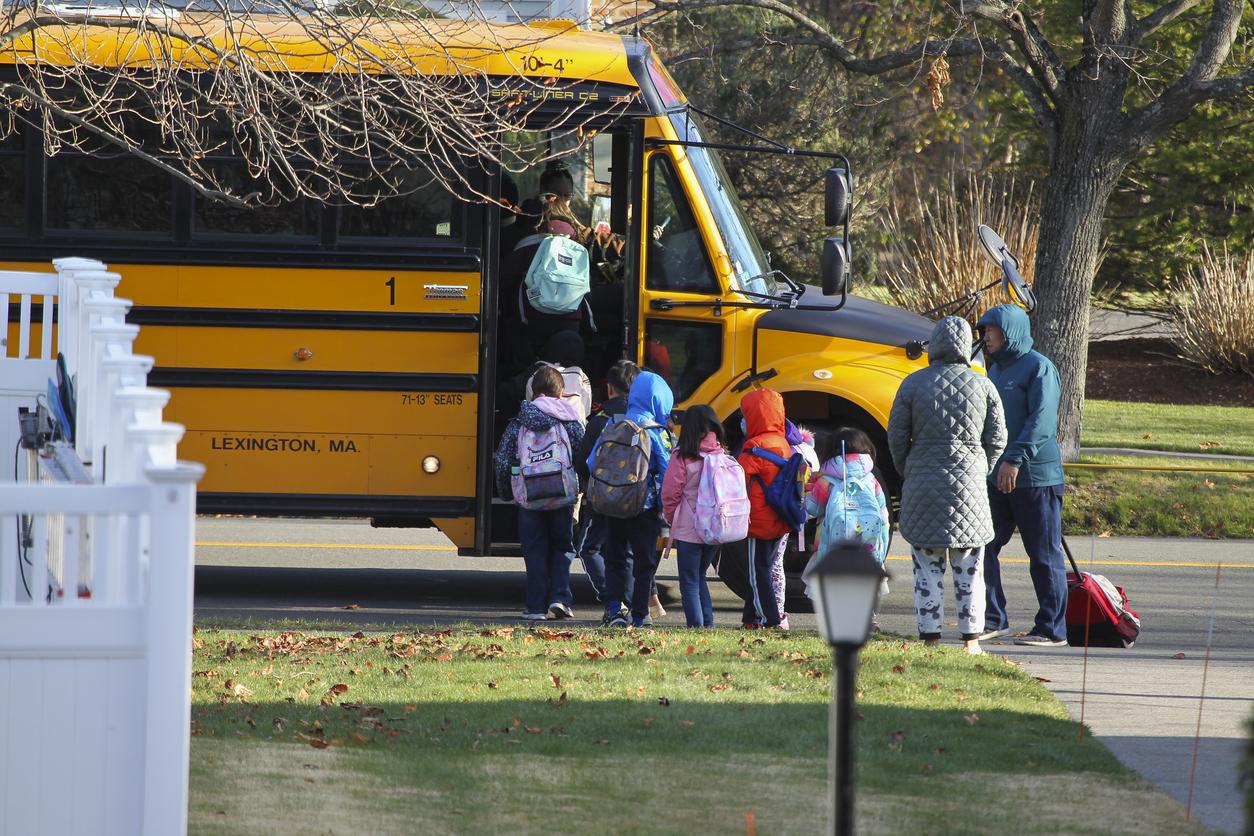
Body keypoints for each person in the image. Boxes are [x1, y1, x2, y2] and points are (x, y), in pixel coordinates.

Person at [887, 315, 1006, 654]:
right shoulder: (983, 385)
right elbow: (997, 438)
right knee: (970, 569)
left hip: (923, 483)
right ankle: (971, 641)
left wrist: (908, 467)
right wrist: (981, 467)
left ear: (935, 344)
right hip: (969, 486)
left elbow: (896, 436)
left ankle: (931, 639)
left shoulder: (912, 384)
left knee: (926, 568)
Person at [975, 303, 1069, 647]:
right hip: (996, 477)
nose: (985, 337)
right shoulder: (994, 370)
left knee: (1043, 555)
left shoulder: (1039, 368)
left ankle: (1051, 628)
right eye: (983, 331)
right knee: (981, 546)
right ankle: (992, 618)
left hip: (1035, 479)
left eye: (991, 330)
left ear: (1009, 331)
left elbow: (1042, 422)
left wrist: (1013, 460)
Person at [493, 366, 585, 621]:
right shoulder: (570, 421)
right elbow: (582, 456)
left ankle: (535, 607)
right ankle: (560, 599)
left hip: (529, 497)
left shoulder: (519, 422)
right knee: (562, 548)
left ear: (533, 392)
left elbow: (503, 459)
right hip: (562, 494)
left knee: (534, 550)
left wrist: (507, 493)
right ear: (562, 393)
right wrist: (583, 489)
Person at [588, 370, 674, 628]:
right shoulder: (657, 432)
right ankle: (638, 616)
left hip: (612, 506)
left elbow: (592, 462)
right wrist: (663, 509)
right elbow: (667, 475)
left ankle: (614, 610)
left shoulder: (612, 424)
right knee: (644, 562)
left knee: (614, 558)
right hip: (643, 509)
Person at [804, 427, 891, 626]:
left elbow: (813, 508)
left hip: (833, 544)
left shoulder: (827, 481)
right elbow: (883, 513)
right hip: (867, 543)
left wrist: (808, 488)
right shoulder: (871, 479)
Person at [573, 359, 641, 601]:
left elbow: (582, 463)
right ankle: (632, 601)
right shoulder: (645, 419)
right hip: (636, 498)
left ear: (609, 388)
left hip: (603, 499)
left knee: (588, 548)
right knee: (630, 551)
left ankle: (611, 596)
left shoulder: (601, 419)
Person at [659, 404, 727, 628]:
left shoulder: (683, 456)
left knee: (688, 582)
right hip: (716, 528)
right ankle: (708, 624)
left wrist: (671, 519)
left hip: (690, 527)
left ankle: (696, 627)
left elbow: (670, 493)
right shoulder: (721, 454)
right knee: (700, 577)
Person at [737, 387, 791, 629]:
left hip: (759, 520)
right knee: (763, 568)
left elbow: (739, 482)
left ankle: (770, 619)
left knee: (757, 572)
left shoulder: (753, 447)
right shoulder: (783, 443)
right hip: (779, 517)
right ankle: (750, 618)